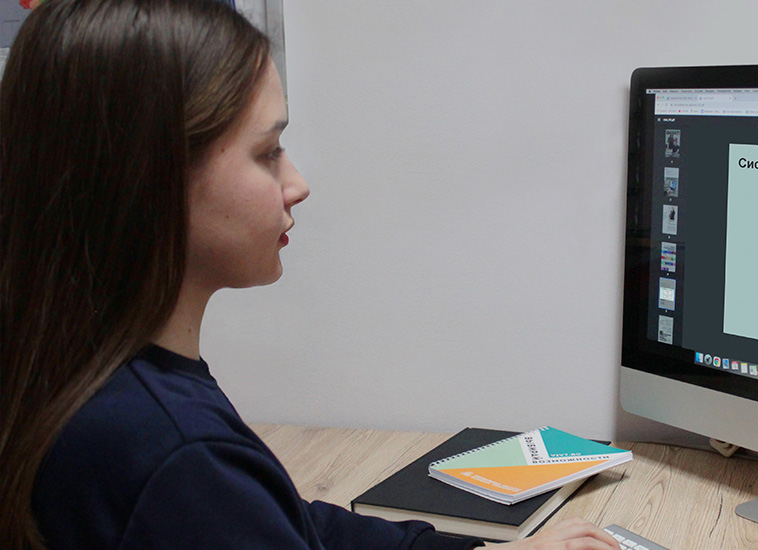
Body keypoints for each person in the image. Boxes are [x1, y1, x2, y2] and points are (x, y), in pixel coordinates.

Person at [0, 2, 621, 549]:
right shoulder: (174, 456)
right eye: (268, 152)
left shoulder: (80, 374)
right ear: (150, 177)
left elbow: (290, 523)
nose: (297, 183)